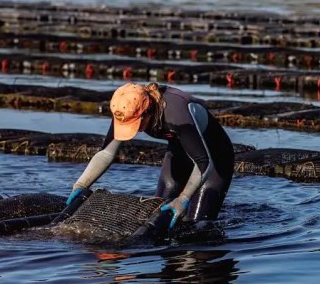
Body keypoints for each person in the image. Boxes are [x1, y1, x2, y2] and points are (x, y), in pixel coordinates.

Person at [67, 82, 235, 230]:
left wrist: (183, 199)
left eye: (137, 124)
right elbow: (106, 152)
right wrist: (81, 184)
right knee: (157, 215)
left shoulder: (176, 113)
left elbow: (203, 162)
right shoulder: (125, 109)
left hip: (214, 158)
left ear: (148, 112)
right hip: (179, 153)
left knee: (196, 225)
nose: (136, 130)